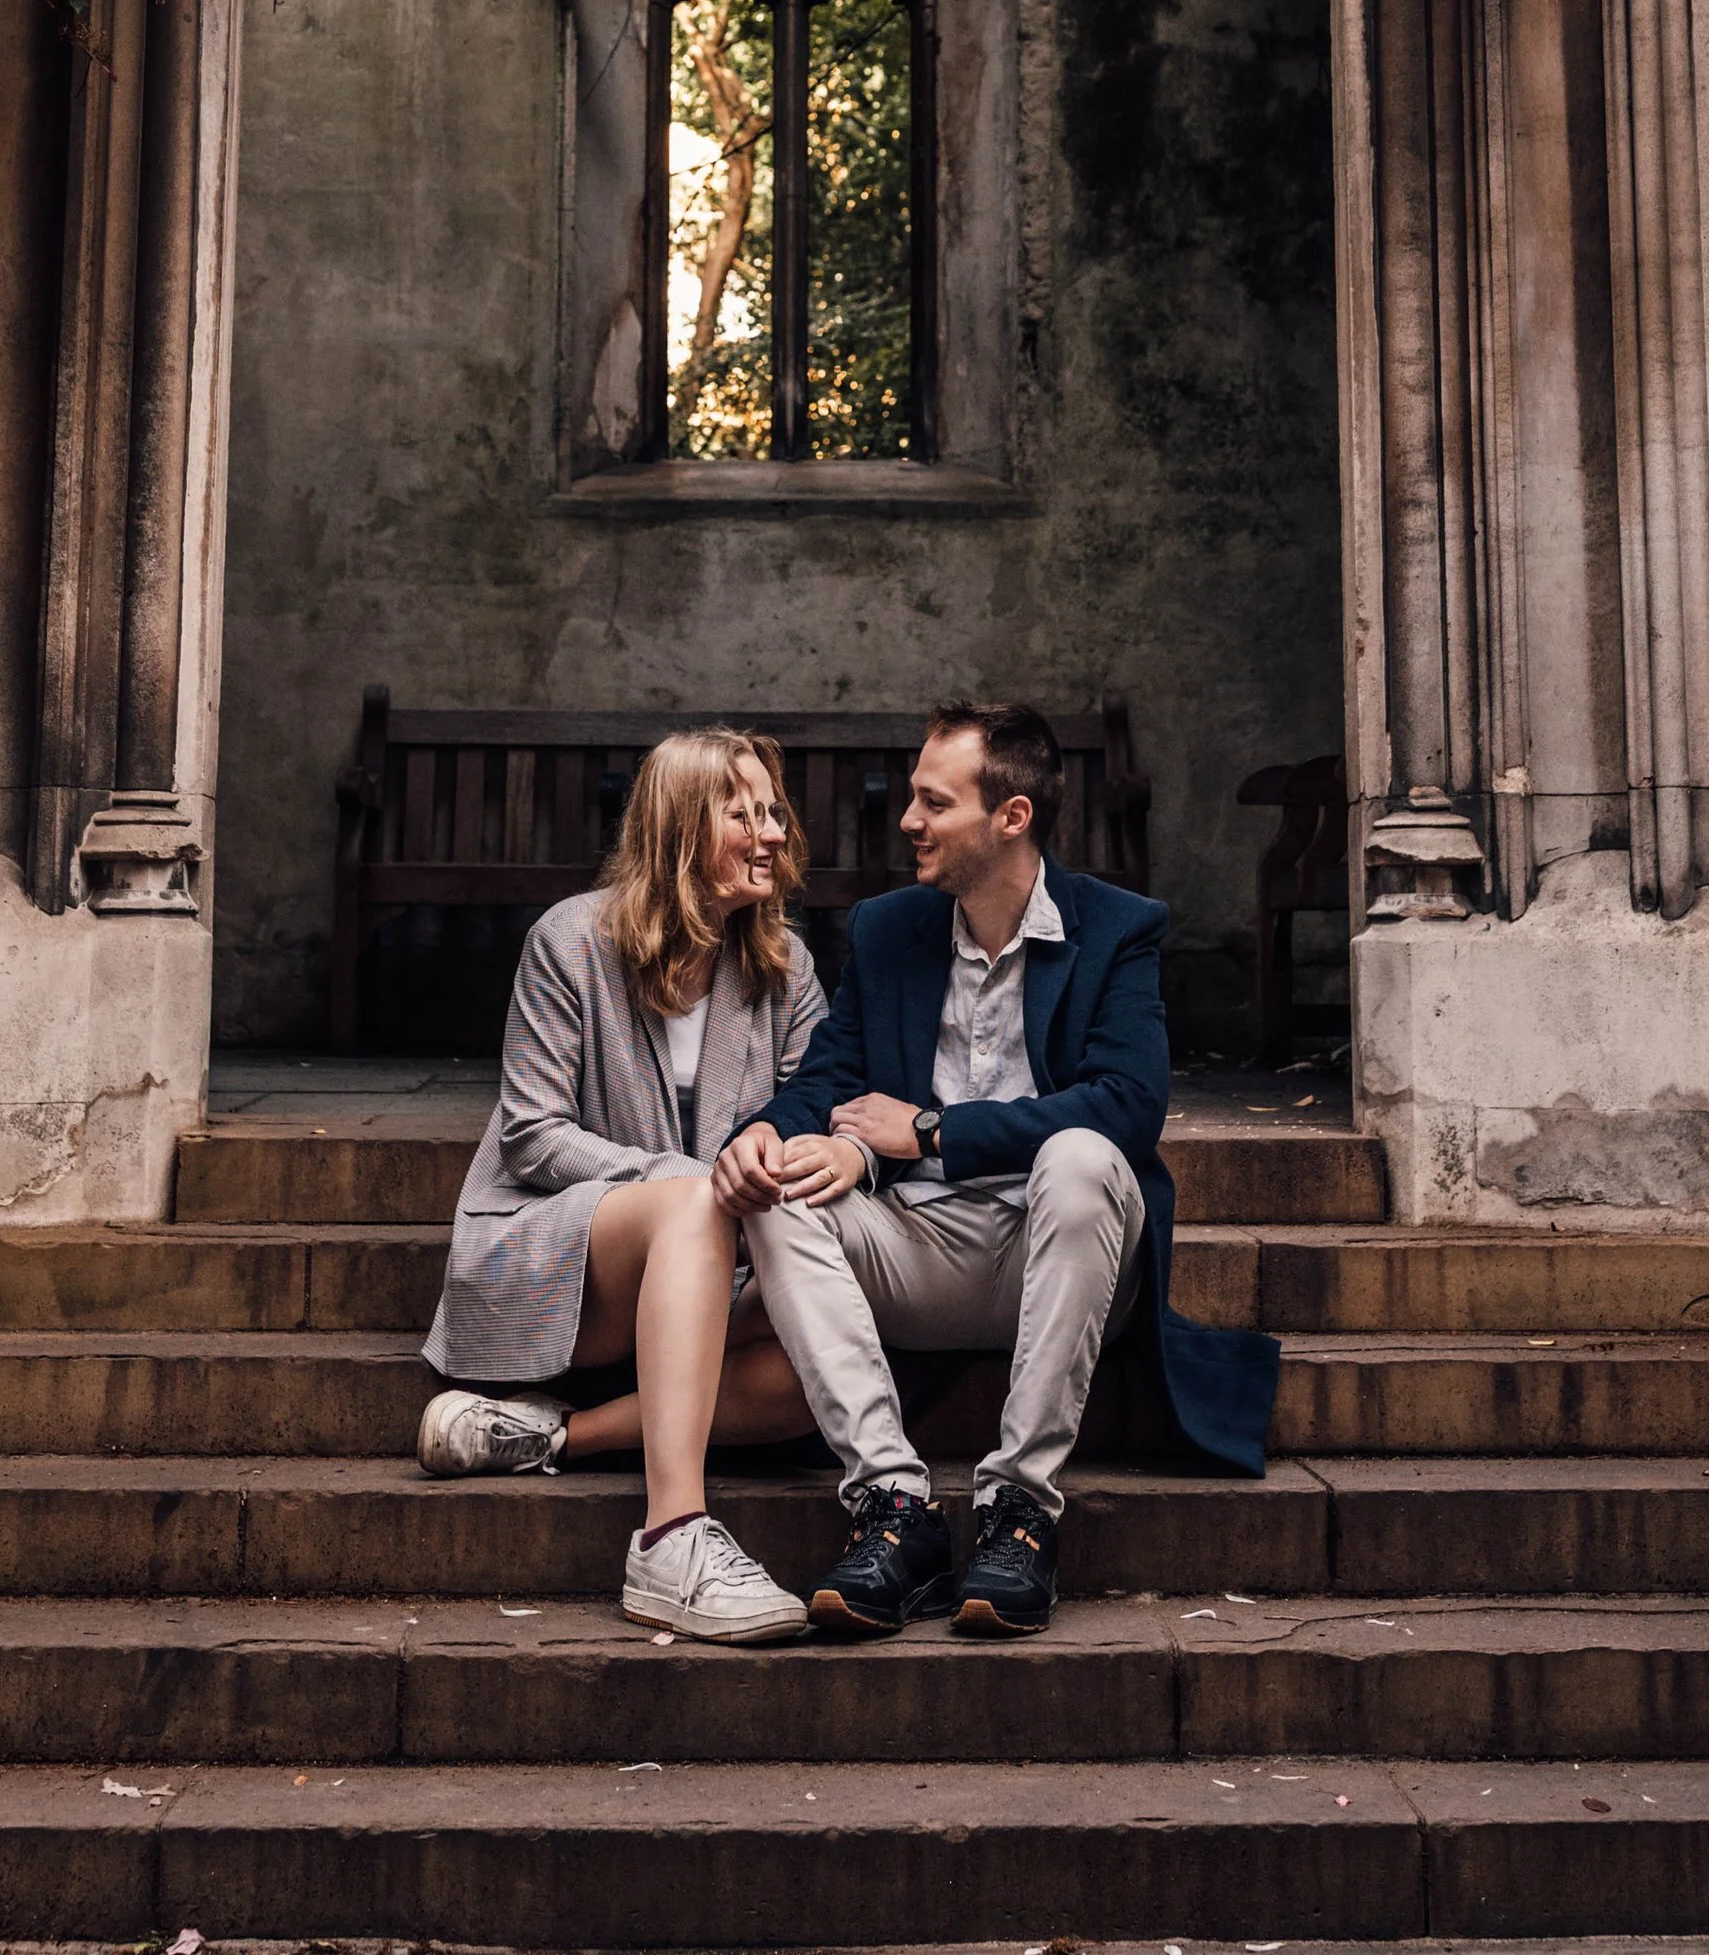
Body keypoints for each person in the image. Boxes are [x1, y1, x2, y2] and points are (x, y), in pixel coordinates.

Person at [715, 699, 1281, 1641]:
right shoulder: (890, 930)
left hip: (1061, 1250)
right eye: (913, 799)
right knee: (779, 1194)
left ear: (1010, 818)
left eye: (935, 803)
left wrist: (934, 1132)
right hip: (916, 1249)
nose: (909, 821)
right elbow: (828, 1080)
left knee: (1083, 1154)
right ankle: (895, 1508)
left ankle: (1020, 1510)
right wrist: (764, 1136)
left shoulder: (1116, 929)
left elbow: (1129, 1105)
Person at [417, 730, 824, 1642]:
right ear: (681, 827)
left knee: (810, 1377)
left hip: (721, 1275)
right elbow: (532, 1135)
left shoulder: (785, 970)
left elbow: (813, 1114)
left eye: (773, 813)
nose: (771, 835)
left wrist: (787, 1165)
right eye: (743, 813)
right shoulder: (569, 941)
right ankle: (672, 1534)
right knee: (693, 1202)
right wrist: (694, 1180)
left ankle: (551, 1437)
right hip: (570, 1249)